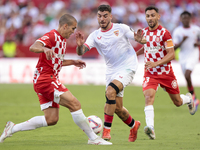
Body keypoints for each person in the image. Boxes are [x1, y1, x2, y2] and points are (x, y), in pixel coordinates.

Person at [0, 13, 112, 145]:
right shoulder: (52, 36)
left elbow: (56, 61)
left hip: (44, 79)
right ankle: (93, 138)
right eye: (72, 28)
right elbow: (33, 46)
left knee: (51, 119)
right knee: (75, 104)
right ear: (65, 26)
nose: (73, 32)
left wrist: (72, 62)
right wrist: (43, 49)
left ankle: (12, 128)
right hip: (46, 79)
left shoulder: (62, 40)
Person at [75, 4, 146, 142]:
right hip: (111, 71)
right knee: (118, 108)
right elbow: (81, 52)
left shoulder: (122, 28)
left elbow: (138, 38)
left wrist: (139, 38)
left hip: (128, 67)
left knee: (110, 92)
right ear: (97, 17)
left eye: (105, 16)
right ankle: (134, 125)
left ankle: (106, 132)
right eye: (99, 16)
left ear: (110, 16)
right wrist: (79, 46)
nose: (102, 19)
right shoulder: (95, 35)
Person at [136, 6, 196, 140]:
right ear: (145, 18)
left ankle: (188, 99)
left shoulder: (165, 33)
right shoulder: (144, 32)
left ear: (158, 16)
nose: (150, 18)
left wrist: (155, 63)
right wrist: (134, 55)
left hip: (165, 73)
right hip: (150, 73)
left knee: (178, 102)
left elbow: (171, 54)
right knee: (148, 97)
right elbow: (146, 47)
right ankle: (150, 128)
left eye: (153, 15)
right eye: (148, 16)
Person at [172, 10, 200, 109]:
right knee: (187, 78)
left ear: (190, 19)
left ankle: (194, 98)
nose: (185, 20)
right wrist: (182, 41)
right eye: (183, 18)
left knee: (188, 74)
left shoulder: (196, 29)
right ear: (181, 19)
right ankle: (194, 98)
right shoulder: (178, 31)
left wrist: (198, 44)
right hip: (183, 56)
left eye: (187, 18)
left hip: (193, 54)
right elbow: (174, 48)